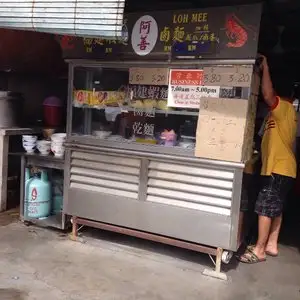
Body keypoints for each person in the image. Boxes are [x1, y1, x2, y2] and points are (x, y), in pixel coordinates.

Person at [238, 55, 297, 264]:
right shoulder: (280, 115)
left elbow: (267, 93)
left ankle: (260, 250)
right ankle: (271, 244)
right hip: (283, 169)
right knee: (275, 208)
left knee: (264, 207)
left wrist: (265, 68)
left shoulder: (284, 108)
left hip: (278, 169)